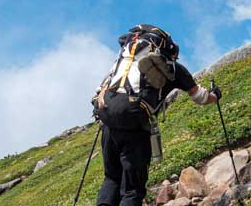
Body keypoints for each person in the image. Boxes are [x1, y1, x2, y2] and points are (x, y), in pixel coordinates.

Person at [93, 25, 221, 206]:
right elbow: (201, 97)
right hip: (135, 127)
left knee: (112, 178)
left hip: (108, 123)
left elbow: (101, 90)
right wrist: (215, 95)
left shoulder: (124, 62)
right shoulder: (172, 68)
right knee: (132, 190)